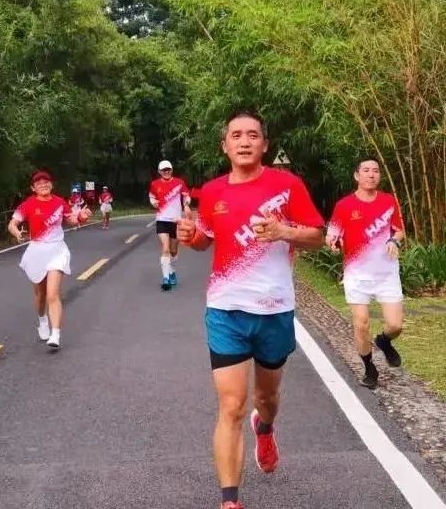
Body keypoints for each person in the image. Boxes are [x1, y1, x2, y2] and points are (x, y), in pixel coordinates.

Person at [177, 110, 324, 509]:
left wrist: (283, 231)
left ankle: (266, 428)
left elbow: (317, 237)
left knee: (266, 397)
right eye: (236, 135)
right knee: (231, 406)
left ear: (265, 144)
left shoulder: (287, 185)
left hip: (275, 310)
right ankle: (230, 501)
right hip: (226, 310)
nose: (244, 141)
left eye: (253, 135)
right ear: (224, 145)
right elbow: (205, 240)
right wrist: (190, 236)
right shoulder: (212, 191)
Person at [326, 157, 405, 389]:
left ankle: (384, 341)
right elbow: (332, 236)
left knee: (395, 325)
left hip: (386, 274)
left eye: (375, 171)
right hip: (357, 275)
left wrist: (394, 240)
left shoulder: (389, 201)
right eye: (366, 170)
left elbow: (399, 231)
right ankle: (369, 368)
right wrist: (334, 243)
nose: (371, 174)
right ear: (356, 175)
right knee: (361, 324)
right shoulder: (344, 206)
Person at [8, 170, 91, 349]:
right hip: (37, 250)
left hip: (57, 250)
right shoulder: (28, 204)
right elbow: (12, 224)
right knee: (41, 295)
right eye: (39, 183)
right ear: (33, 188)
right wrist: (17, 233)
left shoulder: (60, 202)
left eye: (46, 182)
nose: (43, 185)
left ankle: (55, 334)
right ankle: (42, 319)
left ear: (51, 185)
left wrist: (81, 217)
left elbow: (71, 220)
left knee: (53, 293)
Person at [149, 160, 191, 291]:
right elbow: (152, 197)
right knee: (165, 249)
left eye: (168, 169)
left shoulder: (179, 182)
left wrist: (186, 204)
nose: (166, 172)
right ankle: (166, 278)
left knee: (173, 251)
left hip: (176, 221)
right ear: (159, 171)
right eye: (163, 170)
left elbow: (186, 196)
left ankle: (171, 271)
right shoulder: (155, 184)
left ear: (171, 170)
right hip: (162, 219)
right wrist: (153, 202)